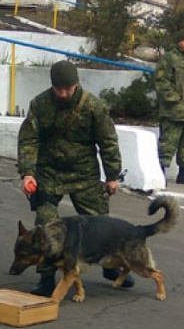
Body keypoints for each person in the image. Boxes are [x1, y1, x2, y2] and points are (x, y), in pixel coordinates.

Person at [17, 60, 131, 296]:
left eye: (67, 88)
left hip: (84, 173)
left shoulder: (93, 106)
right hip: (49, 172)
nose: (63, 93)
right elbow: (28, 139)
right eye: (58, 88)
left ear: (76, 83)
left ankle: (110, 265)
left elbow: (108, 141)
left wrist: (112, 176)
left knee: (99, 224)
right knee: (44, 225)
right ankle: (46, 278)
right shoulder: (40, 104)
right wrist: (28, 172)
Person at [154, 28, 184, 185]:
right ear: (178, 42)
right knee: (168, 143)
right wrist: (173, 98)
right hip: (173, 111)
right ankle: (160, 173)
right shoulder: (169, 59)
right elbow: (161, 82)